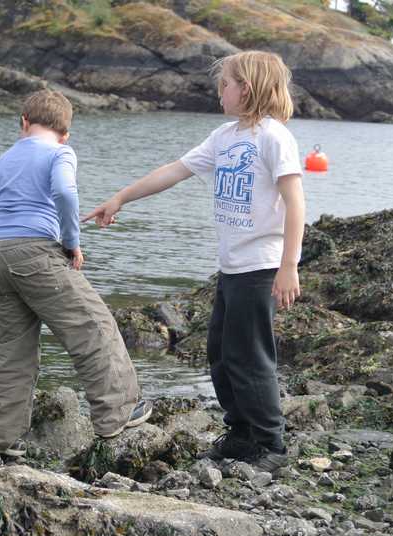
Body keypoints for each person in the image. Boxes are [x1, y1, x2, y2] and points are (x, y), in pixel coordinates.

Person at [82, 51, 305, 471]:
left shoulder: (274, 137)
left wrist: (289, 265)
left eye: (226, 84)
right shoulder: (224, 136)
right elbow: (174, 171)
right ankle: (240, 433)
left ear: (247, 89)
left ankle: (270, 444)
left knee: (251, 356)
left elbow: (295, 203)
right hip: (232, 267)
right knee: (220, 353)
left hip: (261, 266)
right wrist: (120, 198)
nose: (219, 91)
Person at [0, 89, 152, 459]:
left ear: (24, 122)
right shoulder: (60, 153)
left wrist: (1, 248)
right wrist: (72, 241)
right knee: (93, 325)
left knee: (12, 350)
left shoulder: (1, 161)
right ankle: (118, 411)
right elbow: (65, 194)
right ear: (65, 134)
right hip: (37, 252)